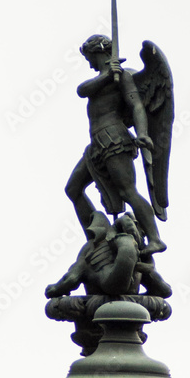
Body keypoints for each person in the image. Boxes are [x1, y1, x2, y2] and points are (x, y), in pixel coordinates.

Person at [65, 34, 166, 255]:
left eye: (90, 58)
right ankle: (97, 239)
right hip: (97, 143)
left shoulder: (124, 77)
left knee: (128, 191)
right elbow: (82, 90)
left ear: (99, 52)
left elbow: (137, 106)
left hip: (115, 138)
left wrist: (142, 133)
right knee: (73, 188)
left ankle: (155, 238)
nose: (90, 64)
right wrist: (108, 75)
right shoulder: (106, 78)